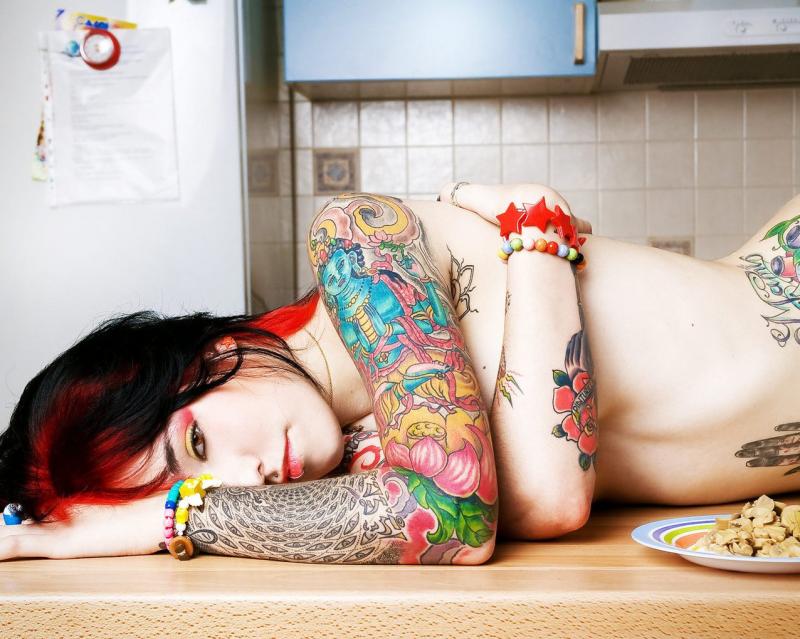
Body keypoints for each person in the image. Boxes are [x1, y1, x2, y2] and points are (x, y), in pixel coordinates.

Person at [1, 182, 798, 565]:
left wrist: (172, 518)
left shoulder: (354, 243)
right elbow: (536, 498)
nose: (245, 480)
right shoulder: (361, 444)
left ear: (204, 358)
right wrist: (536, 245)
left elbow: (466, 511)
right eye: (198, 486)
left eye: (198, 444)